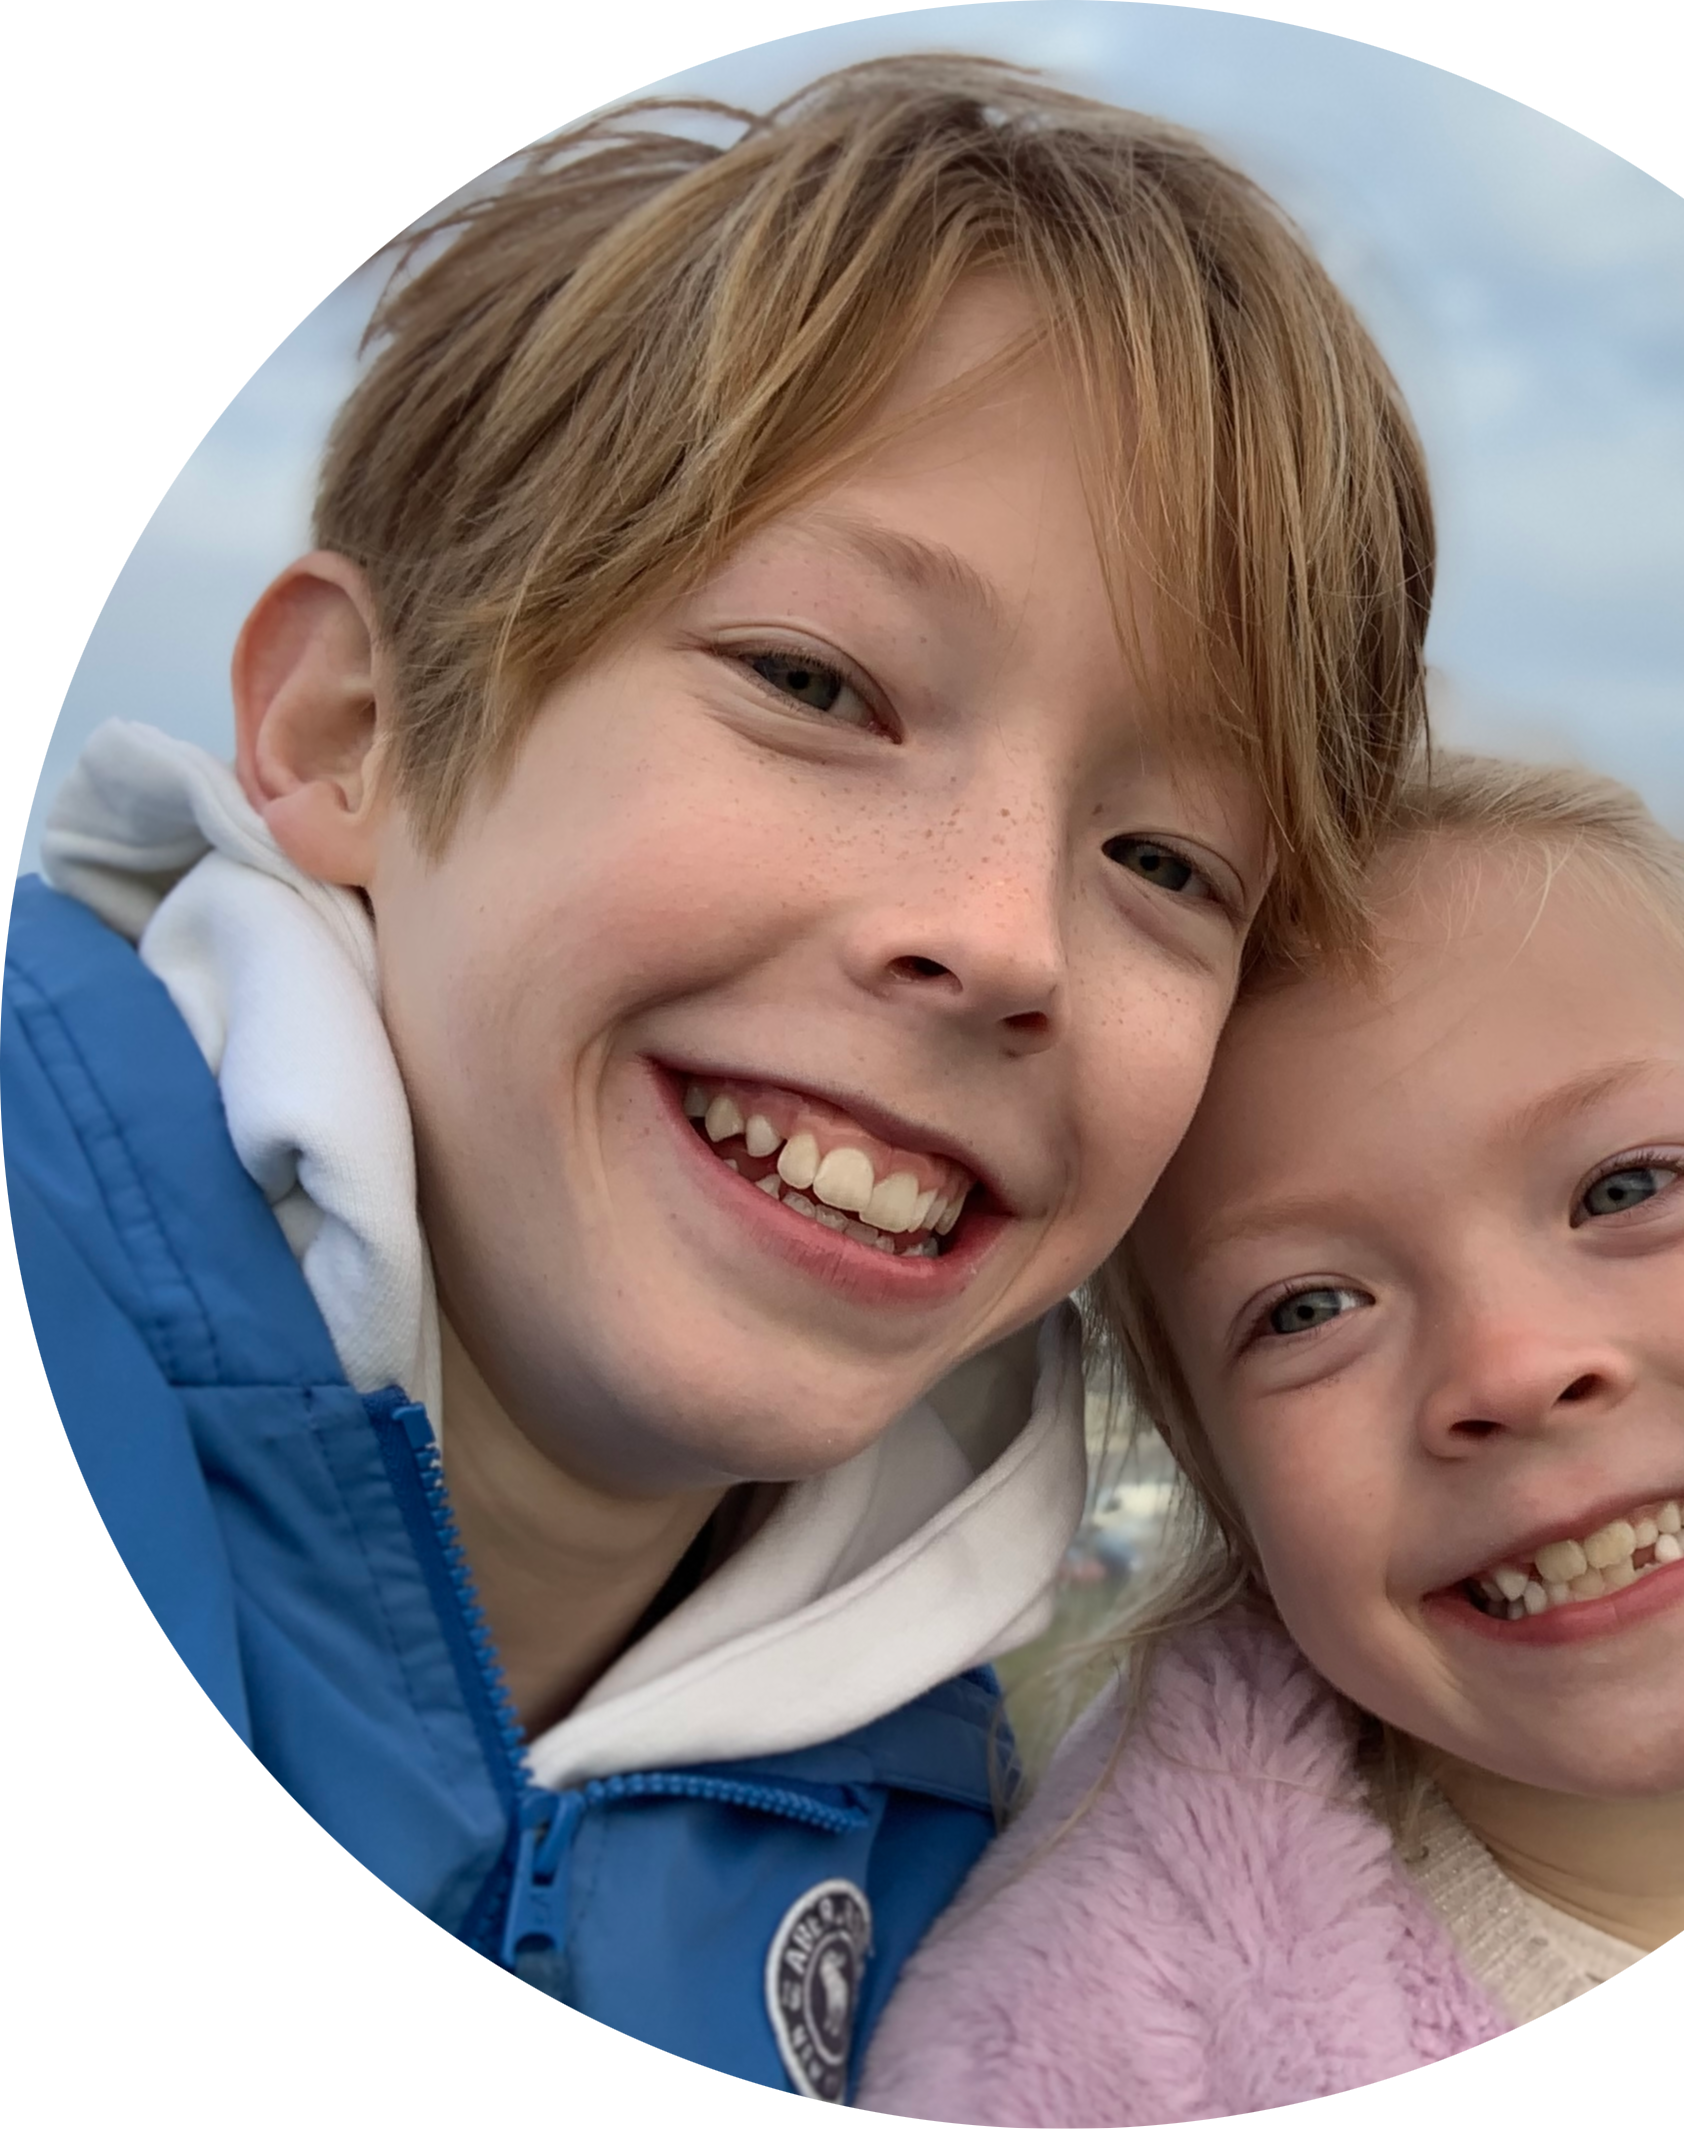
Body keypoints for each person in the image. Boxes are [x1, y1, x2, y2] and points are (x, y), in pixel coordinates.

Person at [2, 58, 1436, 2093]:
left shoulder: (955, 1871)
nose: (1006, 936)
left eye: (1166, 862)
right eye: (814, 685)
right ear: (348, 733)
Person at [856, 749, 1684, 2122]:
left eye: (1627, 1188)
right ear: (1218, 1478)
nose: (1514, 1370)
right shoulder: (1089, 2075)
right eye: (1310, 1308)